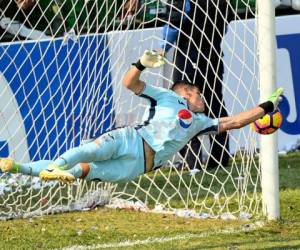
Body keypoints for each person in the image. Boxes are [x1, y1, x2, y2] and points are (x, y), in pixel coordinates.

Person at [0, 51, 283, 183]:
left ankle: (18, 168)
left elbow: (234, 121)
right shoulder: (166, 96)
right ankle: (51, 167)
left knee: (82, 172)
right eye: (199, 94)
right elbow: (129, 84)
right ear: (185, 92)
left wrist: (267, 106)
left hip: (137, 167)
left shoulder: (200, 123)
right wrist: (140, 65)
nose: (203, 98)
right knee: (88, 150)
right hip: (128, 139)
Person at [158, 0, 233, 169]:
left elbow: (176, 18)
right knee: (214, 103)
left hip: (188, 54)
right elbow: (226, 18)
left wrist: (163, 47)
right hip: (213, 53)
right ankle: (220, 158)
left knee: (183, 107)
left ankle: (193, 162)